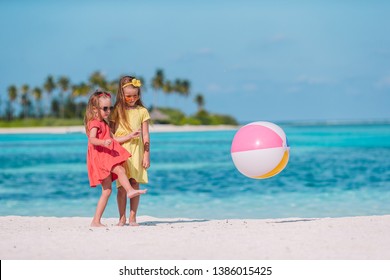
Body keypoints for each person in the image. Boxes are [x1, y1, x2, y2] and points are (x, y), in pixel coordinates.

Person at [84, 90, 147, 227]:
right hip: (100, 157)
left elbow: (114, 139)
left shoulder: (104, 124)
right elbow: (92, 139)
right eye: (105, 108)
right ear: (95, 109)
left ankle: (96, 221)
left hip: (105, 155)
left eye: (110, 108)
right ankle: (129, 190)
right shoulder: (94, 123)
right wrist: (102, 142)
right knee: (119, 169)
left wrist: (130, 136)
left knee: (107, 191)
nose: (108, 111)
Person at [111, 76, 151, 226]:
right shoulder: (116, 111)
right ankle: (122, 217)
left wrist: (146, 154)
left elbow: (146, 134)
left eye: (135, 95)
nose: (132, 98)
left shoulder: (142, 111)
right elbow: (111, 134)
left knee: (134, 183)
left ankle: (133, 217)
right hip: (120, 151)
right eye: (128, 96)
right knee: (122, 186)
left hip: (137, 151)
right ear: (122, 95)